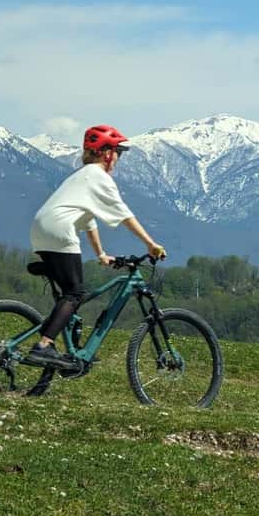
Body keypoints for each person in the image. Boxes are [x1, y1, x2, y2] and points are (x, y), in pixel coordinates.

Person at [28, 124, 166, 364]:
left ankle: (66, 346)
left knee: (70, 295)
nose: (117, 160)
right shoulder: (98, 176)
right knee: (75, 293)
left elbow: (89, 220)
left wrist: (100, 253)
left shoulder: (81, 177)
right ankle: (44, 344)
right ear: (107, 153)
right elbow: (124, 215)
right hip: (60, 231)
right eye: (118, 154)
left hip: (41, 229)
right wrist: (150, 244)